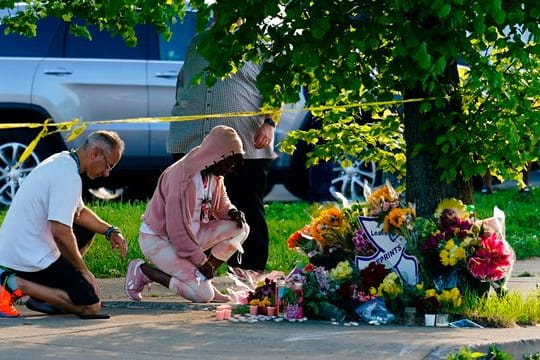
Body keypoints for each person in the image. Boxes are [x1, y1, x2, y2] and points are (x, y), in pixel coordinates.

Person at [167, 29, 276, 274]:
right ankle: (194, 269)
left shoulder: (259, 43)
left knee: (245, 207)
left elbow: (276, 87)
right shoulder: (198, 41)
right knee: (195, 208)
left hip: (244, 141)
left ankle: (250, 271)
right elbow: (182, 82)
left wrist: (269, 123)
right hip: (192, 139)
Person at [0, 130, 128, 318]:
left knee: (86, 229)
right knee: (90, 307)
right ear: (95, 154)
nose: (107, 173)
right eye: (109, 165)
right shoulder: (68, 177)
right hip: (28, 257)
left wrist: (110, 230)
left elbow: (80, 213)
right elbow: (60, 232)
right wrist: (83, 271)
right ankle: (15, 284)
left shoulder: (63, 161)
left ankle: (43, 295)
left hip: (20, 249)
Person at [125, 125, 249, 303]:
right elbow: (177, 230)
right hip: (160, 240)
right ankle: (144, 271)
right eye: (229, 161)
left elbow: (222, 204)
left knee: (240, 228)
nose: (232, 168)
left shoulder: (214, 174)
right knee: (203, 296)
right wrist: (201, 262)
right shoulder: (183, 177)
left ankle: (203, 279)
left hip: (189, 236)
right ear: (215, 155)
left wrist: (232, 212)